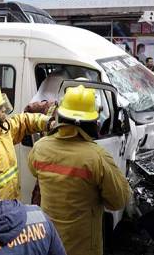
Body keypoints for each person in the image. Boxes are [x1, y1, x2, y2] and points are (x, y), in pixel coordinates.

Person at [28, 84, 131, 255]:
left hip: (49, 243)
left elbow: (34, 171)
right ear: (92, 121)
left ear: (61, 115)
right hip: (83, 248)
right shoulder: (97, 157)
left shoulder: (40, 148)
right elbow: (119, 201)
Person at [0, 83, 54, 200]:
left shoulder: (2, 130)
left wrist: (48, 122)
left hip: (11, 205)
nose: (4, 109)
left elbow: (24, 121)